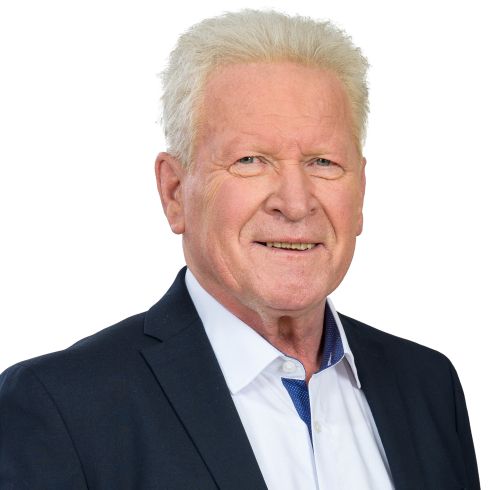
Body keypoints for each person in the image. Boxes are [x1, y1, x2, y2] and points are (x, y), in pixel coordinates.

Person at [0, 9, 480, 490]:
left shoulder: (429, 387)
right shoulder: (61, 409)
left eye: (324, 162)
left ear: (360, 195)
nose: (296, 203)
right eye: (251, 160)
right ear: (174, 193)